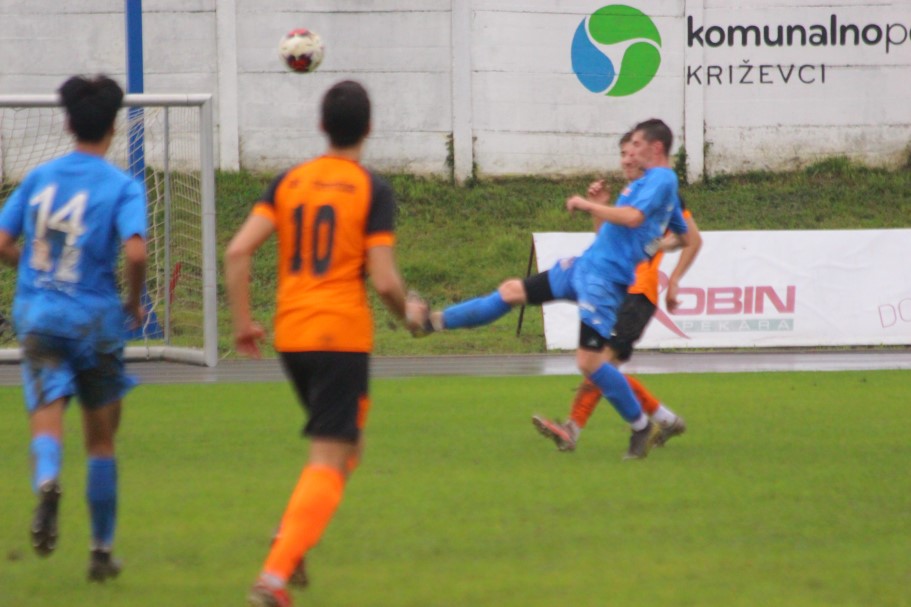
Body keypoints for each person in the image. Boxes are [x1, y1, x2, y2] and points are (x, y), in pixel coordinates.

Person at [224, 80, 425, 607]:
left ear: (321, 125)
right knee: (330, 457)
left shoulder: (289, 181)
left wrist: (243, 324)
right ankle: (273, 578)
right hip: (340, 337)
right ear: (369, 128)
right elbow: (385, 280)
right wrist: (408, 316)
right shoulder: (370, 189)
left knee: (347, 448)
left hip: (292, 336)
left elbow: (238, 251)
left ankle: (292, 532)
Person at [416, 119, 689, 460]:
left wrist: (590, 206)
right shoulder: (649, 184)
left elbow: (636, 220)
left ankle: (640, 426)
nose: (630, 152)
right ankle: (432, 322)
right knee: (511, 291)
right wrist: (651, 242)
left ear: (656, 147)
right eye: (627, 147)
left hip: (604, 283)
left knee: (590, 363)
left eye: (635, 145)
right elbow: (678, 235)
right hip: (582, 268)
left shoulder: (662, 179)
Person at [0, 75, 147, 581]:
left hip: (39, 317)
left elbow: (1, 241)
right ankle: (101, 554)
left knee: (46, 416)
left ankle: (47, 480)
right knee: (101, 441)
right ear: (113, 127)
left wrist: (27, 265)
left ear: (67, 123)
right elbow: (135, 252)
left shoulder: (39, 178)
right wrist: (134, 302)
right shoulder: (122, 186)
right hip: (95, 320)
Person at [531, 132, 702, 452]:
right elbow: (605, 240)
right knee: (602, 367)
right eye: (623, 153)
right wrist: (599, 208)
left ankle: (573, 429)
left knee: (600, 365)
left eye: (633, 150)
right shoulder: (629, 195)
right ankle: (665, 420)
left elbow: (692, 239)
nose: (627, 158)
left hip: (638, 296)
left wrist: (674, 278)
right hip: (613, 290)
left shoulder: (664, 193)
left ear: (649, 153)